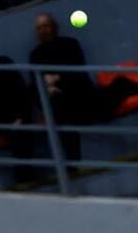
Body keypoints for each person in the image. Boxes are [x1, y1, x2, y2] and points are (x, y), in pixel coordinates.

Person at [29, 13, 96, 160]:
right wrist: (47, 89)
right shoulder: (35, 54)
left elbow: (78, 72)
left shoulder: (70, 44)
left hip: (78, 93)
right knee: (57, 107)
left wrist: (57, 78)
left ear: (54, 27)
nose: (43, 30)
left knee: (62, 109)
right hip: (55, 101)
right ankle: (71, 163)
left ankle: (72, 163)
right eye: (39, 28)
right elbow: (35, 83)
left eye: (46, 26)